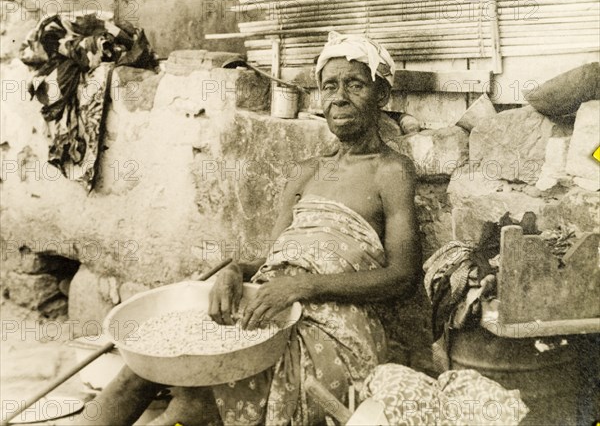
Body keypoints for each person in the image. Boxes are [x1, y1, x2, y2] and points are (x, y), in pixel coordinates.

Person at [72, 31, 424, 426]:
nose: (339, 96)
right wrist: (233, 273)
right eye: (329, 86)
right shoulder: (305, 172)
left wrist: (302, 287)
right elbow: (271, 262)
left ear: (382, 96)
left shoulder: (390, 171)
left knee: (195, 405)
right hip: (269, 305)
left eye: (355, 84)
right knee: (143, 366)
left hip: (338, 326)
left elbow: (402, 277)